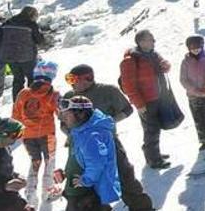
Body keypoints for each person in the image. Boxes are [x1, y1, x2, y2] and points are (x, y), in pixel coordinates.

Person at [61, 65, 154, 211]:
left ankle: (142, 208)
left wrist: (105, 123)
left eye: (74, 79)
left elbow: (127, 110)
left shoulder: (107, 91)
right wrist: (71, 134)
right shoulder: (69, 96)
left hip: (108, 142)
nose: (72, 83)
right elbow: (63, 122)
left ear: (88, 79)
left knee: (123, 177)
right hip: (80, 145)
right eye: (69, 79)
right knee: (87, 187)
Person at [118, 30, 173, 169]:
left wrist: (165, 65)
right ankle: (154, 160)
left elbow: (162, 64)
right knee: (151, 129)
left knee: (154, 128)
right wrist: (139, 104)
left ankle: (153, 153)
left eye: (153, 39)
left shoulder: (152, 54)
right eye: (150, 39)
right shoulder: (130, 60)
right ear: (141, 42)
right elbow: (128, 85)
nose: (154, 42)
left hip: (157, 97)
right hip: (146, 101)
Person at [59, 96, 122, 210]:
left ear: (81, 114)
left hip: (87, 188)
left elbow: (97, 163)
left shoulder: (92, 136)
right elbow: (80, 157)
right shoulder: (80, 130)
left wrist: (86, 180)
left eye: (67, 115)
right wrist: (66, 172)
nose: (63, 118)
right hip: (81, 186)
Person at [12, 60, 60, 200]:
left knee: (35, 160)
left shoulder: (23, 93)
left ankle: (30, 191)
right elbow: (61, 113)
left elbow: (15, 115)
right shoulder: (53, 94)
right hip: (47, 134)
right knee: (49, 161)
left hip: (27, 135)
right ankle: (48, 190)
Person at [2, 6, 45, 102]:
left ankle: (17, 103)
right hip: (27, 56)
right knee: (32, 79)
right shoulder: (31, 24)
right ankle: (32, 103)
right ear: (31, 15)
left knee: (17, 80)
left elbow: (0, 36)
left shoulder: (8, 22)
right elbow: (40, 40)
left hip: (10, 56)